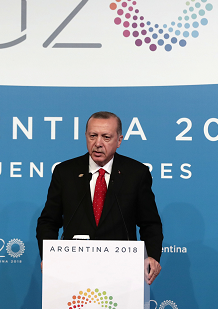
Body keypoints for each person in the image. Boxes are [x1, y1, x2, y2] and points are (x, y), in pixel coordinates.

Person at [36, 111, 163, 284]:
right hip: (73, 270)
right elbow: (48, 222)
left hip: (122, 270)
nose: (98, 143)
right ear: (86, 137)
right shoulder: (65, 172)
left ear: (119, 141)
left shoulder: (136, 174)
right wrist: (50, 256)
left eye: (106, 137)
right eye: (93, 136)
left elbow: (150, 224)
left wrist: (152, 256)